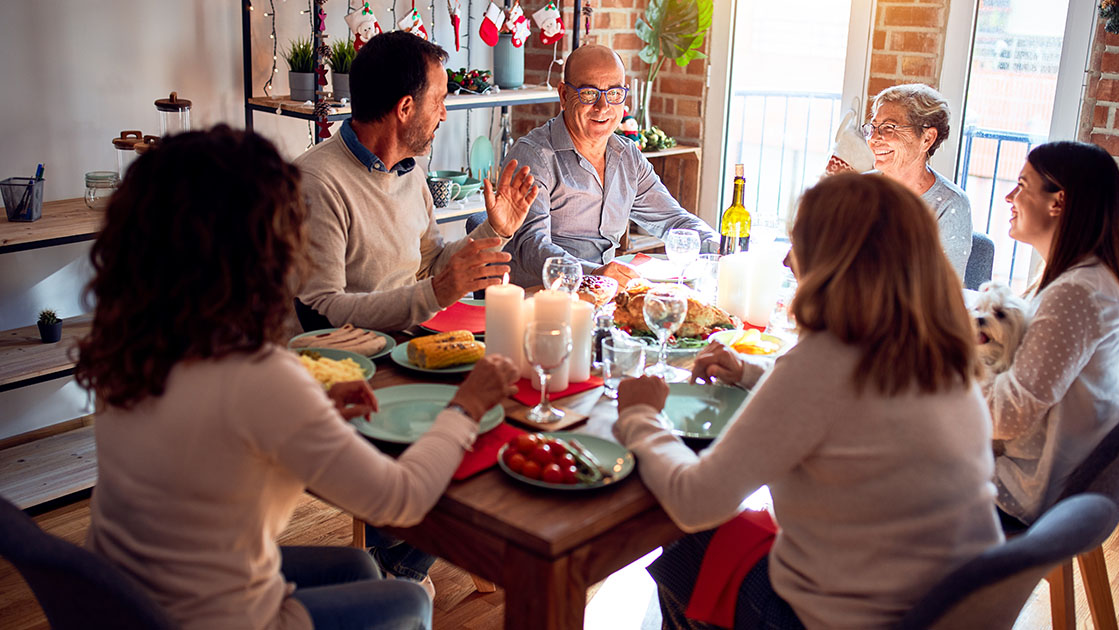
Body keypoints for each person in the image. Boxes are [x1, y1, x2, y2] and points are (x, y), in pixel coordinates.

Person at [75, 125, 521, 630]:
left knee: (359, 567)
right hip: (217, 619)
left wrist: (313, 405)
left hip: (124, 599)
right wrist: (468, 404)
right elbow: (402, 500)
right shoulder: (259, 377)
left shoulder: (128, 347)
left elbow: (215, 436)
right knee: (409, 603)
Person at [614, 173, 1002, 629]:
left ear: (837, 260)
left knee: (687, 539)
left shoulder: (825, 360)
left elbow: (696, 500)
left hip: (841, 621)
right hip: (948, 609)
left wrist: (640, 416)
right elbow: (849, 411)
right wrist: (752, 373)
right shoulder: (940, 352)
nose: (787, 260)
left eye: (799, 243)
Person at [293, 31, 538, 332]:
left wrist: (496, 230)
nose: (444, 115)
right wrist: (433, 294)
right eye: (439, 101)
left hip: (413, 340)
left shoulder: (410, 173)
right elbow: (323, 310)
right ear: (405, 108)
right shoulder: (316, 182)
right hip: (355, 354)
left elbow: (429, 267)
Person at [987, 141, 1119, 524]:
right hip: (1052, 478)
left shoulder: (1075, 294)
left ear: (1058, 202)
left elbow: (1008, 416)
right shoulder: (1083, 280)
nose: (1009, 196)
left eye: (1022, 185)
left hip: (1026, 492)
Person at [500, 44, 719, 288]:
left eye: (614, 93)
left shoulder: (628, 156)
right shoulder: (534, 157)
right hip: (541, 297)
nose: (603, 107)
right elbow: (531, 245)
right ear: (563, 95)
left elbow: (674, 221)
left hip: (603, 294)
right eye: (589, 93)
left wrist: (720, 246)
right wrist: (594, 274)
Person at [865, 83, 972, 279]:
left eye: (889, 127)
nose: (874, 139)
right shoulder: (856, 190)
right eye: (873, 127)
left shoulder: (950, 204)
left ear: (927, 138)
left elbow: (945, 289)